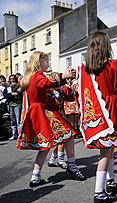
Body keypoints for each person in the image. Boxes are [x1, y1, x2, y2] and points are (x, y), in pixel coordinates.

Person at [77, 32, 117, 203]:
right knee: (106, 152)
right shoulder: (113, 64)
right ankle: (99, 193)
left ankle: (110, 182)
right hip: (110, 109)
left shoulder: (84, 67)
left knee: (110, 149)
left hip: (96, 111)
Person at [17, 51, 85, 188]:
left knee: (45, 145)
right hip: (41, 111)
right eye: (46, 61)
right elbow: (47, 82)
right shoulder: (37, 75)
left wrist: (65, 81)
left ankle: (35, 176)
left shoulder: (32, 77)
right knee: (69, 134)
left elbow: (53, 87)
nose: (48, 64)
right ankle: (71, 165)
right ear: (39, 62)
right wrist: (63, 76)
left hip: (39, 111)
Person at [3, 74, 22, 140]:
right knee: (12, 120)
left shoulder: (19, 85)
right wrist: (11, 94)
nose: (12, 80)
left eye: (13, 79)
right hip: (10, 104)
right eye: (11, 79)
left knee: (18, 120)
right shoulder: (7, 87)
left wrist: (16, 94)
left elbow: (20, 93)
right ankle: (14, 134)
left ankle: (20, 134)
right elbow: (5, 94)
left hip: (17, 104)